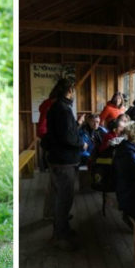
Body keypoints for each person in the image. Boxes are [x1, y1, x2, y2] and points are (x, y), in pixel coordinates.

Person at [45, 78, 85, 250]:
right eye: (73, 91)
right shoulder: (63, 109)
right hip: (64, 161)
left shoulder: (56, 107)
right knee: (64, 199)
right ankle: (59, 236)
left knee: (60, 197)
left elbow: (64, 132)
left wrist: (76, 125)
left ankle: (63, 230)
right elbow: (67, 137)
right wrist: (81, 144)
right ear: (69, 91)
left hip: (57, 159)